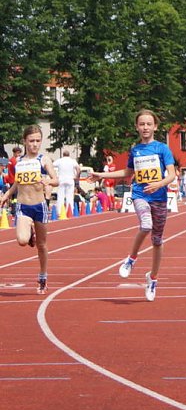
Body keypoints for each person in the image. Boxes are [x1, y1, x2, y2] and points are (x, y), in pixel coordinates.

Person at [91, 109, 177, 302]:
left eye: (149, 124)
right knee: (145, 225)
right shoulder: (135, 150)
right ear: (137, 127)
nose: (145, 127)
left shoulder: (162, 149)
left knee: (157, 241)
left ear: (155, 127)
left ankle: (153, 278)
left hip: (159, 197)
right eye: (142, 124)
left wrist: (159, 184)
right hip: (140, 194)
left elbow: (172, 174)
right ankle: (131, 259)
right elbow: (128, 172)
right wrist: (102, 174)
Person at [0, 125, 59, 294]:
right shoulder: (18, 162)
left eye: (38, 141)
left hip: (39, 206)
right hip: (23, 206)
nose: (35, 144)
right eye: (31, 140)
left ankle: (43, 276)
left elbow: (56, 180)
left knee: (42, 245)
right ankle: (29, 230)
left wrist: (48, 181)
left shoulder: (43, 160)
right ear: (24, 141)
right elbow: (17, 183)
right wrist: (7, 195)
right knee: (22, 240)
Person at [53, 149, 80, 215]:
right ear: (69, 155)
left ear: (63, 154)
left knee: (60, 196)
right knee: (70, 196)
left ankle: (60, 211)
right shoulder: (72, 161)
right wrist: (77, 176)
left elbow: (52, 165)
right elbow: (78, 169)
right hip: (70, 179)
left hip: (61, 179)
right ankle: (70, 210)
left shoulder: (59, 161)